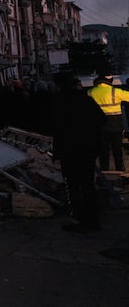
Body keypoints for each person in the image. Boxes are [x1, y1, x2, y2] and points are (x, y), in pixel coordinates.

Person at [50, 72, 106, 233]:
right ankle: (93, 220)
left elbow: (53, 126)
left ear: (58, 85)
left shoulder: (59, 102)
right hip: (88, 149)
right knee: (88, 185)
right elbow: (102, 119)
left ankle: (79, 219)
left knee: (73, 186)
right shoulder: (85, 100)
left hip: (69, 151)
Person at [88, 75, 129, 171]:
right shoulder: (116, 91)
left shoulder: (90, 92)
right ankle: (119, 170)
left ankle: (104, 171)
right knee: (117, 150)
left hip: (99, 126)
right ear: (109, 82)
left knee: (103, 151)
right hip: (116, 125)